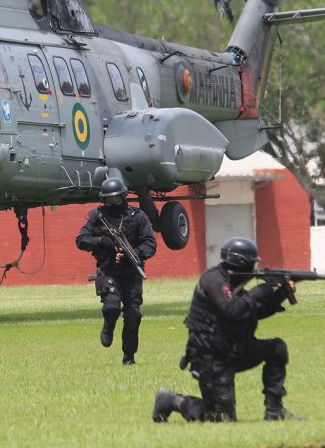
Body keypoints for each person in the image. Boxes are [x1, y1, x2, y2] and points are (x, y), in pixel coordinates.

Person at [152, 237, 298, 423]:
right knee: (222, 418)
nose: (253, 271)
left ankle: (275, 411)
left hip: (235, 350)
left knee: (277, 348)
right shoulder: (213, 280)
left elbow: (254, 311)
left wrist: (280, 294)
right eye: (251, 265)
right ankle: (173, 401)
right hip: (210, 358)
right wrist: (261, 290)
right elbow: (233, 310)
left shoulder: (234, 285)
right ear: (240, 264)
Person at [75, 177, 157, 365]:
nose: (113, 203)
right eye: (109, 200)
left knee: (133, 315)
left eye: (116, 199)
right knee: (112, 307)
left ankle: (129, 357)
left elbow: (150, 244)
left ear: (124, 197)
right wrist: (102, 242)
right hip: (108, 270)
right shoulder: (97, 216)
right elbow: (81, 239)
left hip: (131, 273)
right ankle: (109, 325)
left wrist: (134, 253)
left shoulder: (138, 216)